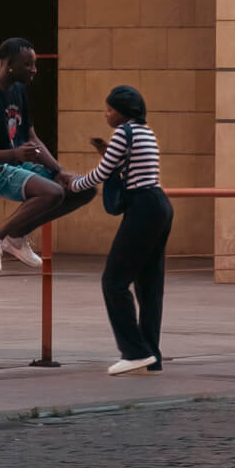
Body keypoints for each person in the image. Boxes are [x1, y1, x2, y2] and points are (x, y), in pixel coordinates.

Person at [0, 38, 96, 273]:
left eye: (34, 64)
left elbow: (31, 137)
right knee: (51, 192)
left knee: (82, 190)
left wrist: (58, 171)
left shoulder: (18, 91)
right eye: (28, 64)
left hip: (14, 165)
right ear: (8, 64)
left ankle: (16, 236)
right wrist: (14, 153)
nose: (34, 70)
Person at [71, 84, 171, 374]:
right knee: (149, 286)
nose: (106, 114)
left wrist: (72, 185)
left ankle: (134, 351)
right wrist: (107, 152)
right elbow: (130, 167)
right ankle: (151, 354)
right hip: (159, 205)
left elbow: (102, 174)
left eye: (109, 109)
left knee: (113, 281)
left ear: (123, 112)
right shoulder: (145, 131)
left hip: (142, 208)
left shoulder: (124, 133)